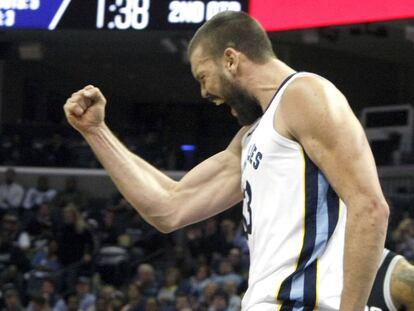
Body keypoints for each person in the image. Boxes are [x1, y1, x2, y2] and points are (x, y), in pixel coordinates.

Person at [64, 11, 389, 311]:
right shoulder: (249, 138)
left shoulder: (304, 94)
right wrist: (96, 132)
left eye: (203, 76)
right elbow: (169, 208)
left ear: (231, 59)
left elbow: (369, 207)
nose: (206, 93)